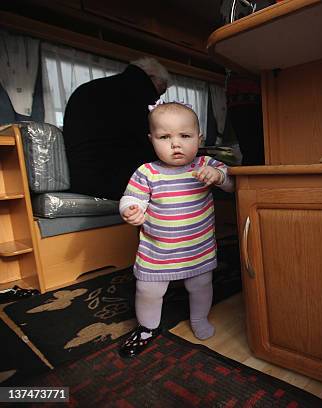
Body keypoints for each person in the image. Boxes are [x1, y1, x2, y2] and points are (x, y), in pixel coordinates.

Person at [117, 101, 234, 357]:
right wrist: (130, 209)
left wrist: (219, 177)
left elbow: (232, 184)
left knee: (201, 286)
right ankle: (147, 328)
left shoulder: (205, 165)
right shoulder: (147, 172)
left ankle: (199, 319)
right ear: (152, 140)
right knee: (148, 290)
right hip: (157, 252)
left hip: (197, 249)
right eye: (164, 137)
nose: (175, 144)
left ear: (199, 138)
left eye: (185, 136)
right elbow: (131, 198)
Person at [62, 57, 170, 200]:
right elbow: (155, 146)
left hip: (78, 182)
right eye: (160, 90)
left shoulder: (87, 88)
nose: (158, 96)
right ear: (151, 77)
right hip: (116, 186)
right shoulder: (144, 96)